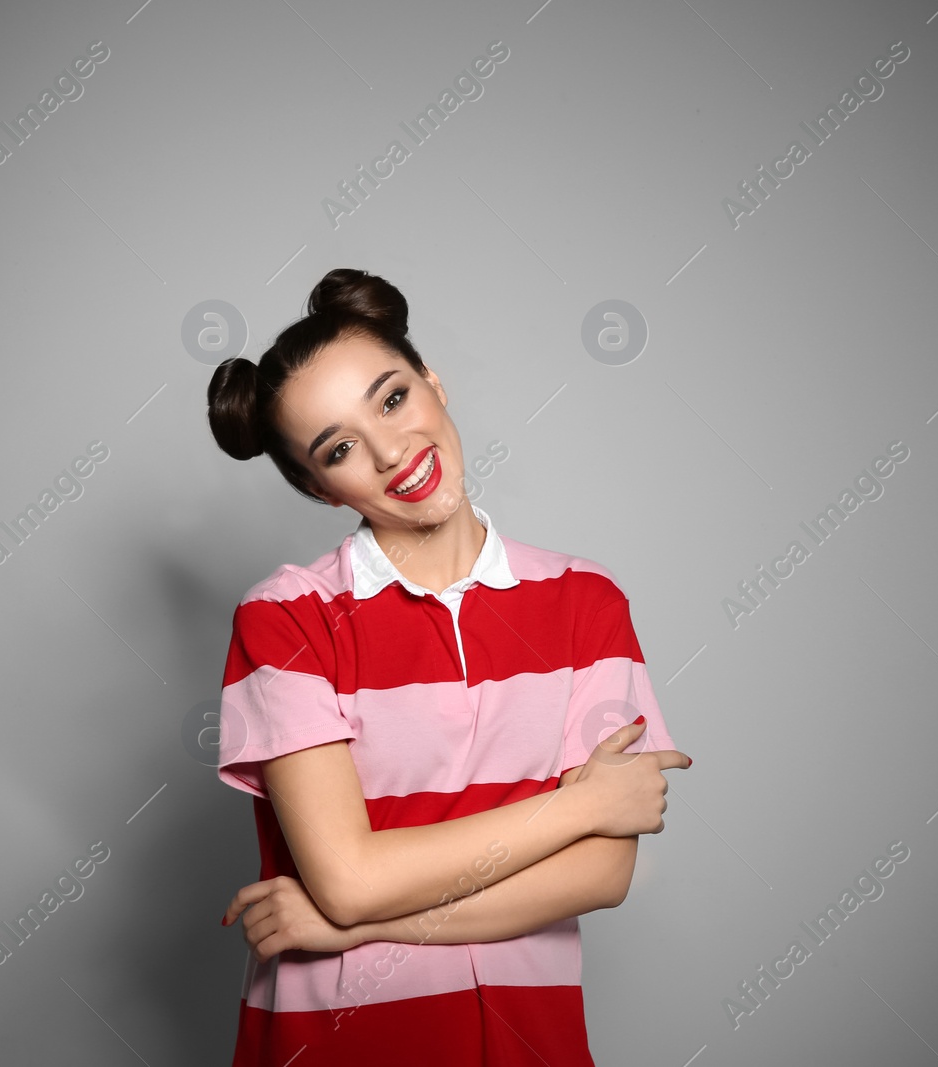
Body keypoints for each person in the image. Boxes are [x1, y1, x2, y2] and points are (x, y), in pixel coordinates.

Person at [205, 267, 692, 1065]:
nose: (394, 452)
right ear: (319, 488)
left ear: (433, 381)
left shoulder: (586, 603)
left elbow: (604, 872)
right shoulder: (286, 619)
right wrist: (582, 806)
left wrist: (349, 924)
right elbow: (351, 877)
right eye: (340, 448)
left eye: (393, 397)